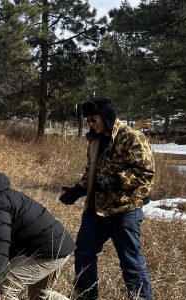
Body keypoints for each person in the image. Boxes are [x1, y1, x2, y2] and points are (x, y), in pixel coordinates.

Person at [58, 97, 155, 300]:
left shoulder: (131, 136)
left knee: (130, 261)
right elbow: (90, 173)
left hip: (124, 210)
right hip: (95, 210)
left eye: (94, 119)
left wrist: (115, 181)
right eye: (89, 121)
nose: (91, 124)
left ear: (106, 117)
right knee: (83, 253)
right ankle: (86, 297)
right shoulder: (94, 141)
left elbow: (145, 171)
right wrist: (78, 190)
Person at [0, 166, 75, 300]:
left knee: (5, 290)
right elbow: (5, 245)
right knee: (41, 295)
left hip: (48, 248)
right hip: (56, 245)